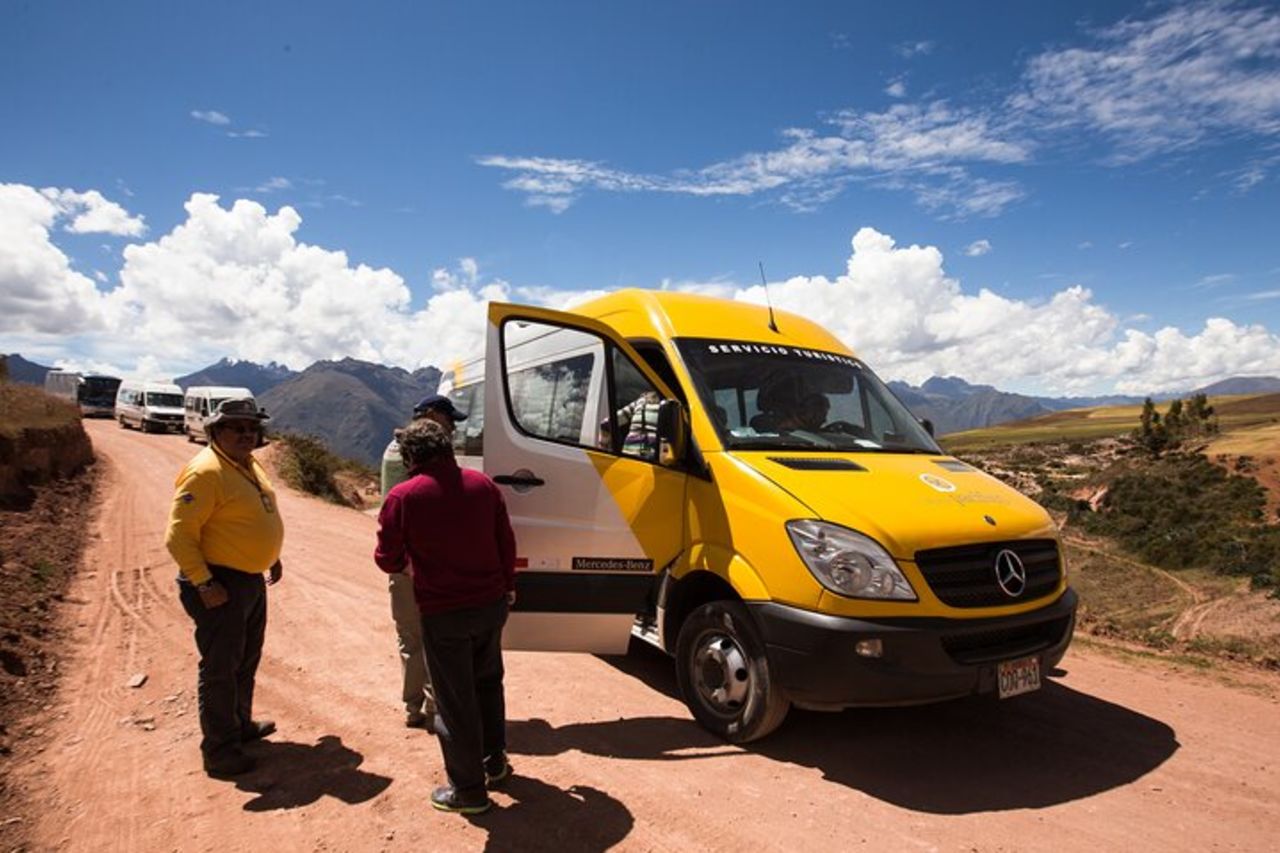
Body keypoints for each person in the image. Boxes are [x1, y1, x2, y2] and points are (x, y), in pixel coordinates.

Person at [374, 419, 516, 815]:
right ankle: (494, 762)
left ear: (410, 457)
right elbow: (505, 541)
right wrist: (508, 586)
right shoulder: (483, 486)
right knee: (488, 683)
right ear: (448, 449)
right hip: (491, 605)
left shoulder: (403, 497)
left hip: (444, 612)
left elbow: (387, 557)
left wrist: (407, 565)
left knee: (454, 700)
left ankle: (468, 792)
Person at [165, 397, 284, 779]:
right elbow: (178, 535)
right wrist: (204, 583)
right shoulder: (205, 472)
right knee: (220, 667)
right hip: (220, 581)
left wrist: (271, 555)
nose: (247, 434)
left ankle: (240, 725)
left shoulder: (246, 463)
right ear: (216, 431)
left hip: (249, 578)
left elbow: (254, 514)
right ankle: (219, 751)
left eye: (252, 428)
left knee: (246, 658)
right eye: (237, 427)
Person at [380, 393, 469, 730]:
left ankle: (413, 706)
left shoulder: (396, 448)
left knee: (410, 638)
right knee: (435, 636)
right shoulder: (421, 453)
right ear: (432, 415)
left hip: (404, 564)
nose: (453, 428)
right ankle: (433, 707)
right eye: (449, 420)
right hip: (429, 564)